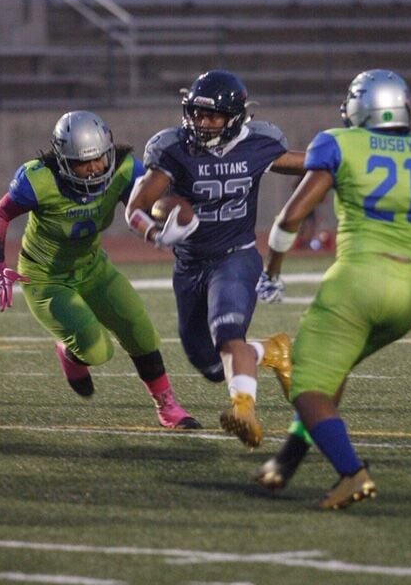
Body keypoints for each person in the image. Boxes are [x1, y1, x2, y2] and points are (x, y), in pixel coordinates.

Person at [254, 69, 411, 510]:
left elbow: (291, 217)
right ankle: (284, 463)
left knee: (307, 383)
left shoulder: (340, 142)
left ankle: (352, 473)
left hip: (357, 284)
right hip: (410, 294)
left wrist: (273, 271)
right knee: (331, 373)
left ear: (358, 107)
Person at [125, 69, 306, 448]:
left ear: (236, 117)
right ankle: (271, 351)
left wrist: (345, 159)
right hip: (190, 264)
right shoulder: (174, 149)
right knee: (208, 364)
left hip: (235, 257)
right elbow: (136, 208)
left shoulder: (259, 144)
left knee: (228, 335)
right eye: (197, 114)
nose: (202, 123)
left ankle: (243, 409)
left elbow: (313, 164)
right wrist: (157, 234)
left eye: (212, 116)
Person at [0, 110, 201, 429]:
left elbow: (138, 208)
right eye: (81, 162)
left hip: (92, 267)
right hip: (46, 278)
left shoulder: (125, 169)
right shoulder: (38, 179)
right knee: (96, 349)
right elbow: (0, 214)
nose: (93, 169)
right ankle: (72, 355)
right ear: (61, 160)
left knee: (139, 328)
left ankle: (167, 406)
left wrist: (159, 230)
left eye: (99, 159)